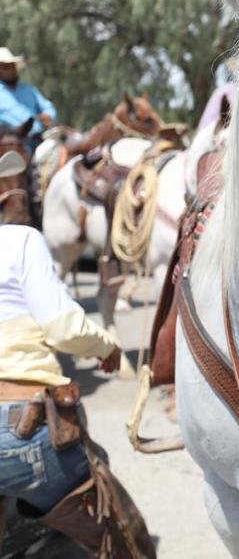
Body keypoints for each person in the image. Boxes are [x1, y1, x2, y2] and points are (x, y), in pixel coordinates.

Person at [0, 152, 154, 557]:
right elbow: (62, 326)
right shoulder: (20, 240)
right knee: (124, 534)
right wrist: (107, 346)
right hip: (20, 425)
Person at [0, 48, 57, 152]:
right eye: (6, 67)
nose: (12, 71)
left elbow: (47, 107)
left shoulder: (29, 90)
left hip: (38, 138)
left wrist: (48, 115)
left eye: (13, 66)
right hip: (11, 144)